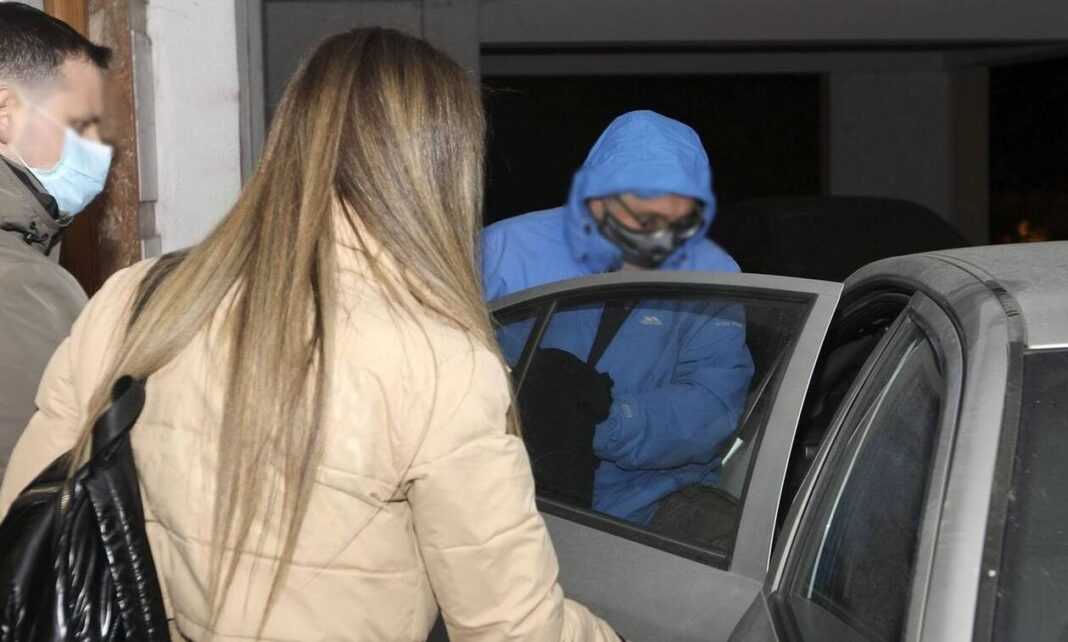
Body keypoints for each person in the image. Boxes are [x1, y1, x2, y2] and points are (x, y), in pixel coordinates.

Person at [0, 28, 620, 641]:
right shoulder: (439, 361)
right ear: (442, 166)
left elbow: (25, 510)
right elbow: (511, 628)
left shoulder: (138, 296)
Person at [482, 111, 754, 541]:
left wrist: (606, 419)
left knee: (731, 540)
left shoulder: (712, 274)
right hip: (511, 495)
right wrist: (531, 406)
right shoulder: (506, 252)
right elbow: (446, 368)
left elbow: (713, 405)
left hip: (650, 503)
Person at [0, 2, 112, 481]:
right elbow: (42, 496)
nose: (100, 149)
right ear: (5, 113)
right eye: (81, 124)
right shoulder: (23, 286)